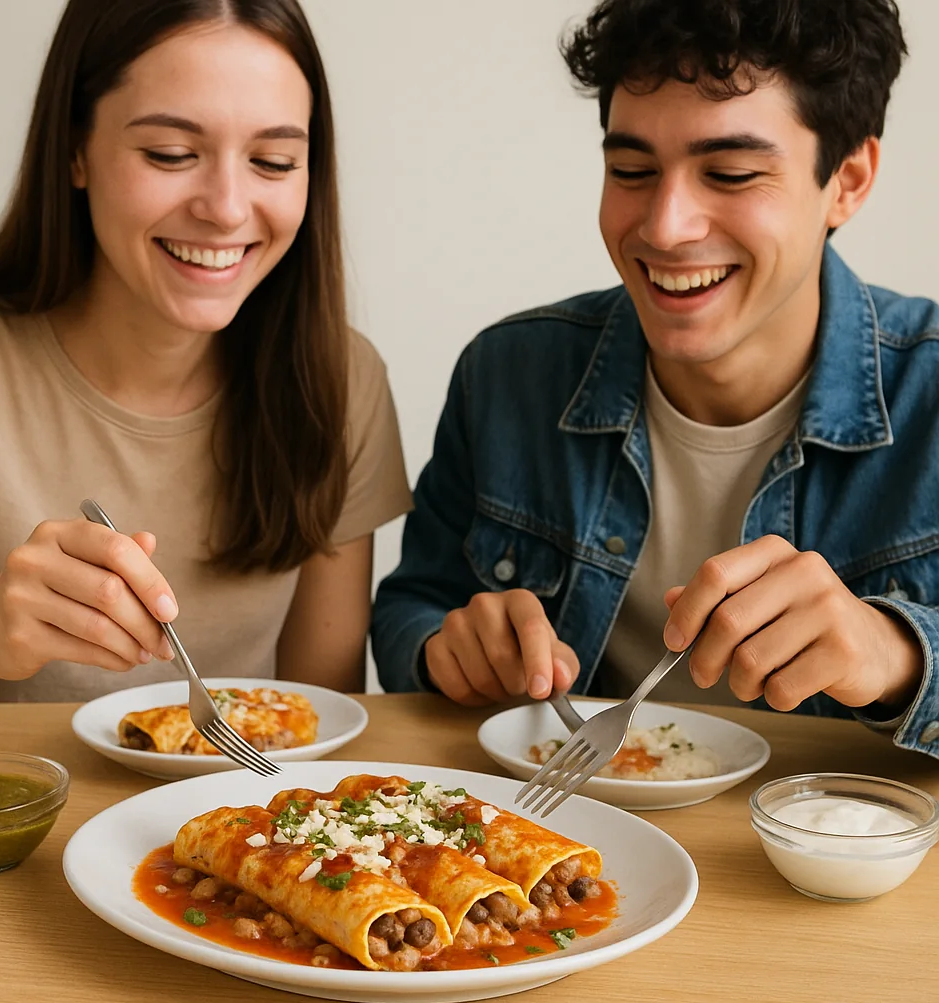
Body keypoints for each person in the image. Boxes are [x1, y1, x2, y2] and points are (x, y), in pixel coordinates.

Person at [372, 0, 939, 758]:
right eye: (631, 171)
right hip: (565, 822)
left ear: (848, 180)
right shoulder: (508, 374)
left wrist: (897, 656)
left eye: (730, 173)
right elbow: (412, 607)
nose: (665, 227)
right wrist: (447, 648)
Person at [0, 0, 411, 716]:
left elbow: (320, 724)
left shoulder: (340, 382)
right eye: (171, 154)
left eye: (273, 162)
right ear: (75, 150)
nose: (227, 208)